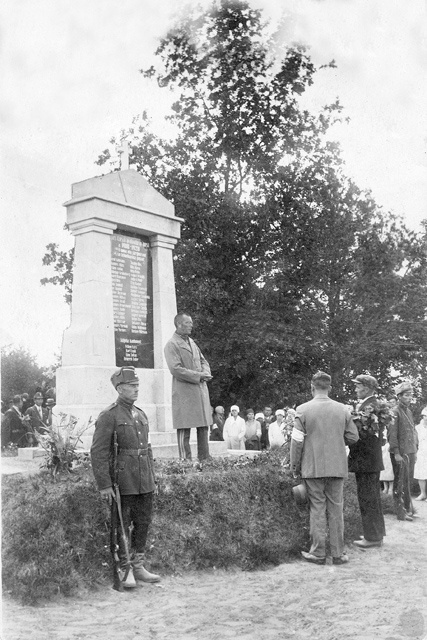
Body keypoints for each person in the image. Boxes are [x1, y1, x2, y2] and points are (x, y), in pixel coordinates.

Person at [91, 366, 160, 587]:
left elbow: (147, 449)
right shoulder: (109, 416)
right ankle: (125, 568)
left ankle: (138, 566)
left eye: (137, 385)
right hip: (123, 481)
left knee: (143, 523)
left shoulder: (141, 414)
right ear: (120, 389)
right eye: (132, 386)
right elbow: (98, 452)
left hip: (143, 480)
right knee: (122, 524)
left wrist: (152, 478)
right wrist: (104, 484)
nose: (136, 389)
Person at [290, 371, 359, 565]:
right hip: (337, 467)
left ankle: (318, 553)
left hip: (312, 467)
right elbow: (353, 437)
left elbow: (296, 442)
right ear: (330, 388)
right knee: (336, 509)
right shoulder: (342, 409)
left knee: (317, 508)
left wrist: (295, 466)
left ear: (312, 387)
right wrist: (337, 442)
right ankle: (338, 553)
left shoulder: (303, 409)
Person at [164, 313, 212, 461]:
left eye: (191, 322)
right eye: (187, 322)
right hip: (184, 392)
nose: (191, 325)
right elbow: (175, 369)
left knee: (203, 426)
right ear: (179, 324)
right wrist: (198, 376)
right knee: (184, 427)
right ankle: (185, 461)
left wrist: (206, 372)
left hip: (200, 391)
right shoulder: (171, 344)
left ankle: (205, 459)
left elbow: (203, 360)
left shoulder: (192, 342)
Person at [348, 374, 386, 548]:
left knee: (367, 497)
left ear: (367, 388)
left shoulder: (369, 406)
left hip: (366, 460)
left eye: (358, 386)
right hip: (371, 460)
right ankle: (376, 534)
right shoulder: (373, 404)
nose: (355, 389)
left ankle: (372, 537)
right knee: (372, 497)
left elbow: (361, 436)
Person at [389, 381, 419, 521]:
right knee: (400, 482)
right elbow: (392, 434)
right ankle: (400, 512)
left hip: (409, 452)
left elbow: (412, 431)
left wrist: (415, 450)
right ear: (399, 396)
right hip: (400, 453)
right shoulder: (395, 412)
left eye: (411, 395)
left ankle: (408, 507)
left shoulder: (408, 411)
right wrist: (396, 453)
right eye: (407, 395)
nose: (410, 397)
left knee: (407, 481)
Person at [414, 407, 427, 500]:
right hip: (422, 452)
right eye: (425, 416)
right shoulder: (418, 427)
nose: (426, 418)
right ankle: (423, 493)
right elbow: (415, 441)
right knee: (421, 473)